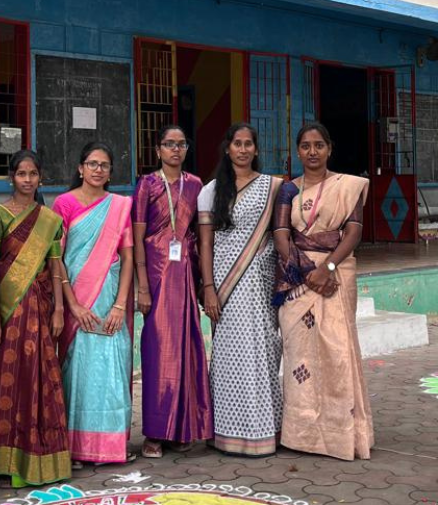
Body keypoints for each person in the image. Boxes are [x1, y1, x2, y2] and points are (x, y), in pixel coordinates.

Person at [272, 122, 374, 461]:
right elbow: (282, 235)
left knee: (337, 352)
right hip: (298, 276)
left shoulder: (348, 186)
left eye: (318, 145)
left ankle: (340, 433)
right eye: (305, 146)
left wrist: (327, 268)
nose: (312, 152)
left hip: (336, 274)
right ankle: (301, 433)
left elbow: (353, 233)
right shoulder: (288, 190)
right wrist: (307, 271)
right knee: (299, 354)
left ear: (329, 149)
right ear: (297, 151)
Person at [0, 150, 70, 487]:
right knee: (7, 380)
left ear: (41, 178)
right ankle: (4, 462)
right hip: (7, 312)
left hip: (41, 309)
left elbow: (54, 266)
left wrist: (60, 308)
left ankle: (39, 458)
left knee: (41, 378)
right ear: (11, 177)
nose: (28, 180)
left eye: (33, 174)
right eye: (21, 174)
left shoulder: (49, 220)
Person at [198, 123, 283, 456]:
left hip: (260, 284)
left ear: (256, 150)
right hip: (224, 286)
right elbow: (205, 244)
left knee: (262, 352)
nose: (243, 149)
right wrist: (208, 287)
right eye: (237, 143)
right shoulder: (211, 191)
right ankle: (226, 432)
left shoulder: (272, 188)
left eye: (249, 144)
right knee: (230, 356)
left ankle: (265, 429)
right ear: (228, 148)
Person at [134, 125, 213, 459]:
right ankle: (155, 432)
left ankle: (182, 428)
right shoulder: (147, 185)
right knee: (157, 353)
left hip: (183, 276)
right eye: (169, 144)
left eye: (181, 144)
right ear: (158, 150)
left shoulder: (195, 185)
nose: (175, 150)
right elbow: (136, 237)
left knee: (186, 351)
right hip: (155, 275)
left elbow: (201, 232)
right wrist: (142, 285)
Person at [55, 142, 135, 467]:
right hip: (78, 300)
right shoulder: (64, 204)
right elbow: (56, 259)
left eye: (104, 165)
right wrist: (72, 305)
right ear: (80, 168)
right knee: (77, 371)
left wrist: (119, 306)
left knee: (111, 369)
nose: (98, 170)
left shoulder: (118, 206)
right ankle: (75, 447)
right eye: (92, 164)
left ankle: (111, 446)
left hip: (108, 298)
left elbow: (127, 258)